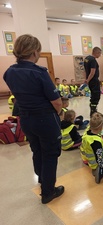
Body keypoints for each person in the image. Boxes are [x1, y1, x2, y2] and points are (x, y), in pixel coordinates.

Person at [3, 34, 64, 204]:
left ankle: (42, 180)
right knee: (51, 154)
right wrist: (58, 114)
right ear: (34, 52)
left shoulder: (9, 72)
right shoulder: (39, 73)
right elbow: (57, 102)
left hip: (26, 120)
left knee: (37, 151)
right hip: (45, 119)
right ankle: (48, 192)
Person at [80, 112, 103, 184]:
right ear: (101, 127)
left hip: (85, 158)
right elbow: (99, 159)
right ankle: (99, 171)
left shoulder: (88, 131)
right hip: (94, 164)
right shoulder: (96, 142)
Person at [84, 47, 102, 116]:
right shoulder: (93, 60)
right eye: (99, 53)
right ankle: (93, 111)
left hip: (90, 80)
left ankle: (93, 109)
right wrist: (88, 80)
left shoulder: (86, 58)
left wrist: (86, 79)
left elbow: (85, 70)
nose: (100, 55)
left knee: (93, 95)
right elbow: (92, 72)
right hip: (93, 80)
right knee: (96, 95)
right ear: (97, 52)